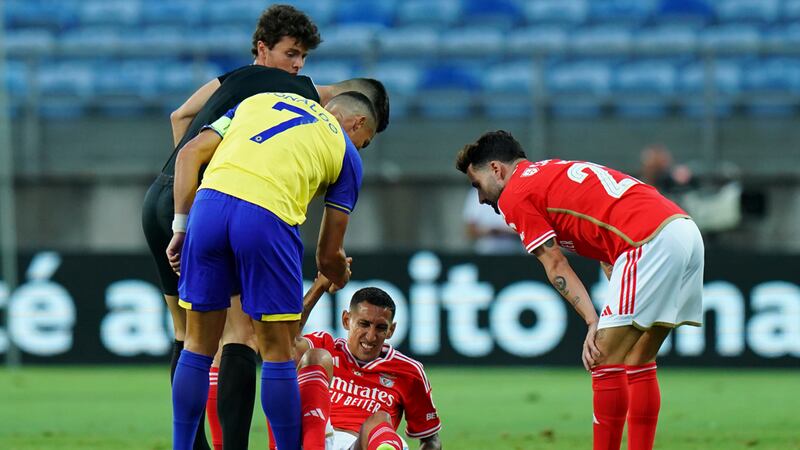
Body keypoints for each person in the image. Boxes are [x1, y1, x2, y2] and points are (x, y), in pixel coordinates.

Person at [455, 130, 704, 450]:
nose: (480, 198)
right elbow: (601, 227)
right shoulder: (549, 172)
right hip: (682, 229)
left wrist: (592, 321)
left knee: (602, 358)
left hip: (646, 241)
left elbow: (555, 264)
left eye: (477, 185)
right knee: (639, 358)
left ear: (497, 169)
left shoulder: (515, 194)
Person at [142, 5, 321, 449]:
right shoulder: (292, 92)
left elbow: (179, 118)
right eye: (291, 53)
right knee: (239, 335)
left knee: (187, 334)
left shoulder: (229, 81)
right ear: (263, 48)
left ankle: (193, 443)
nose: (297, 66)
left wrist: (188, 181)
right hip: (215, 204)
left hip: (163, 197)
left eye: (302, 58)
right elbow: (340, 101)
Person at [167, 90, 377, 450]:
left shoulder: (257, 100)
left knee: (197, 345)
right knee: (278, 351)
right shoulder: (346, 152)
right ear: (357, 124)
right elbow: (329, 255)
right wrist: (339, 273)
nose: (361, 146)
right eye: (366, 140)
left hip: (208, 206)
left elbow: (189, 152)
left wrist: (180, 227)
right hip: (268, 215)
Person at [292, 281, 442, 450]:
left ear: (391, 330)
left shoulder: (409, 371)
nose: (371, 337)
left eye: (380, 328)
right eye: (364, 324)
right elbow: (286, 343)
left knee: (380, 420)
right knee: (315, 357)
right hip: (318, 438)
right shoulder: (325, 346)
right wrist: (319, 287)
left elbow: (430, 439)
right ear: (346, 320)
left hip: (362, 444)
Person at [463, 187, 523, 254]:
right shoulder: (475, 194)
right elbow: (470, 231)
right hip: (486, 254)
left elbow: (528, 228)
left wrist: (504, 231)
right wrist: (489, 231)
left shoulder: (516, 189)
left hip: (515, 253)